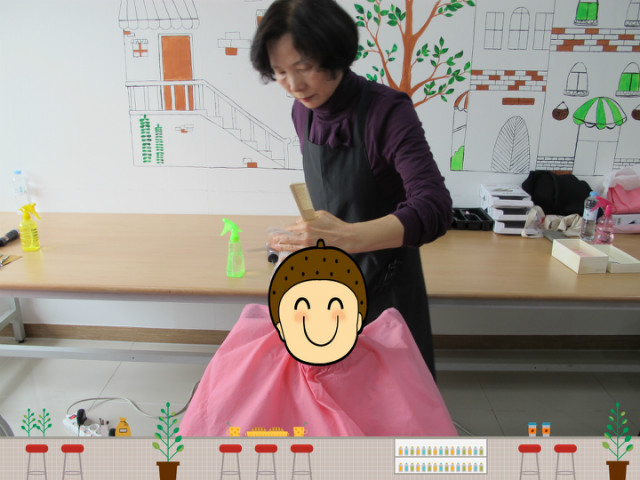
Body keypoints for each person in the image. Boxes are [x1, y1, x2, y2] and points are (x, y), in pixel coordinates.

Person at [250, 0, 452, 377]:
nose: (294, 85)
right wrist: (307, 236)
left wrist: (347, 237)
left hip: (387, 289)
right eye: (280, 72)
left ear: (335, 52)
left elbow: (435, 207)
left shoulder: (387, 112)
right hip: (329, 286)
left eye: (304, 67)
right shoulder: (302, 112)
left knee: (388, 398)